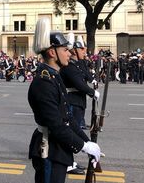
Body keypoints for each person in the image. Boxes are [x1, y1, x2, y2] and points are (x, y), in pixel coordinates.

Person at [28, 19, 101, 183]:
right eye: (65, 50)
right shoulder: (43, 82)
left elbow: (67, 117)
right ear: (52, 53)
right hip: (49, 149)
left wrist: (87, 142)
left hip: (58, 148)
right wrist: (83, 147)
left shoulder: (54, 76)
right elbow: (56, 125)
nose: (69, 53)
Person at [60, 34, 101, 175]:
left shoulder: (76, 64)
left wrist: (92, 80)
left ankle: (69, 161)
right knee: (70, 132)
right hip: (72, 100)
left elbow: (83, 77)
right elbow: (78, 83)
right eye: (81, 49)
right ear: (74, 50)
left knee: (74, 131)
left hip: (77, 100)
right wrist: (91, 92)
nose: (84, 51)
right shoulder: (70, 67)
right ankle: (67, 163)